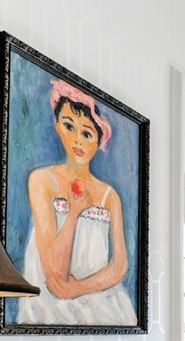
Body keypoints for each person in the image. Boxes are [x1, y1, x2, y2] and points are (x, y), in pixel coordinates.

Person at [16, 79, 136, 325]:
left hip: (101, 301)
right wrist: (74, 212)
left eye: (87, 133)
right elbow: (55, 277)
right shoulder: (42, 180)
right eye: (69, 126)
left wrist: (77, 288)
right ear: (57, 125)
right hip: (49, 306)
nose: (77, 140)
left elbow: (118, 265)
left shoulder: (109, 196)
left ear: (98, 140)